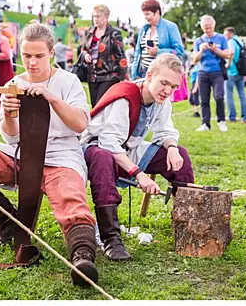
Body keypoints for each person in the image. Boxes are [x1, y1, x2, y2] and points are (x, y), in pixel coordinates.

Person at [0, 22, 98, 286]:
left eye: (39, 56)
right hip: (21, 153)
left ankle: (82, 256)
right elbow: (10, 136)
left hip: (60, 155)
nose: (31, 62)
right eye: (27, 56)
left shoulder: (68, 81)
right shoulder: (14, 83)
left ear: (51, 53)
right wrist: (8, 113)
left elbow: (79, 124)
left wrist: (51, 98)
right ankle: (8, 222)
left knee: (70, 198)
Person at [80, 54, 194, 261]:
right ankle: (110, 239)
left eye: (173, 87)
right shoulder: (125, 96)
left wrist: (172, 148)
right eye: (164, 83)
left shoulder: (161, 100)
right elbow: (108, 142)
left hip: (127, 149)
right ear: (149, 76)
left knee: (181, 156)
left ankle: (190, 224)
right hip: (95, 148)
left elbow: (165, 131)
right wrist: (138, 173)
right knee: (104, 158)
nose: (168, 91)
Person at [82, 4, 128, 107]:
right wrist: (85, 55)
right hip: (92, 75)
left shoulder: (114, 33)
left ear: (106, 18)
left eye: (98, 16)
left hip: (109, 76)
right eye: (94, 16)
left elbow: (121, 56)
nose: (95, 19)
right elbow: (83, 49)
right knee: (94, 105)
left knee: (101, 105)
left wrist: (124, 77)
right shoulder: (89, 32)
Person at [193, 15, 229, 132]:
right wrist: (201, 50)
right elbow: (195, 59)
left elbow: (227, 54)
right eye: (205, 28)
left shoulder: (221, 38)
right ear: (202, 27)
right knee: (204, 99)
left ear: (214, 26)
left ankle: (221, 121)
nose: (208, 30)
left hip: (217, 72)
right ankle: (205, 124)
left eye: (210, 28)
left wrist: (215, 50)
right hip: (203, 72)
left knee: (219, 96)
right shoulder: (198, 41)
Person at [131, 0, 184, 80]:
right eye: (144, 14)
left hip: (161, 73)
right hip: (143, 72)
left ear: (157, 12)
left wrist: (158, 52)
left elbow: (179, 51)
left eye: (148, 14)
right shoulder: (143, 29)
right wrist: (134, 74)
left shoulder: (170, 27)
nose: (145, 17)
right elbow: (138, 52)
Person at [223, 27, 246, 124]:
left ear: (230, 34)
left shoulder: (231, 42)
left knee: (229, 94)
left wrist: (228, 64)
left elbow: (231, 52)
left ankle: (232, 116)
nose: (224, 37)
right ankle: (245, 117)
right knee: (241, 93)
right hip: (240, 71)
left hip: (231, 71)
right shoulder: (240, 41)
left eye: (225, 34)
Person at [0, 34, 15, 129]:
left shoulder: (2, 40)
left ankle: (2, 122)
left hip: (4, 70)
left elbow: (6, 55)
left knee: (4, 95)